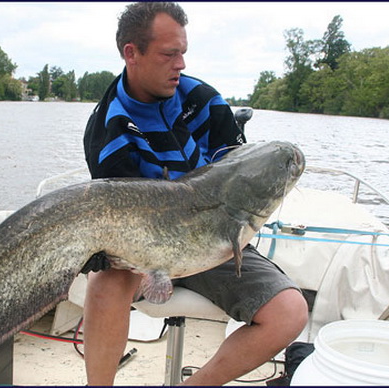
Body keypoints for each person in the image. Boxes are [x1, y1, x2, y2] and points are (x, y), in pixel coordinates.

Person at [81, 2, 308, 385]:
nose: (181, 64)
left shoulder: (203, 100)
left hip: (217, 238)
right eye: (170, 54)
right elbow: (116, 215)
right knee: (105, 284)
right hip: (143, 248)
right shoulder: (109, 128)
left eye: (184, 52)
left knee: (291, 312)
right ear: (131, 54)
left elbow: (238, 170)